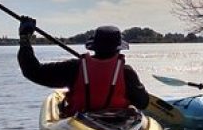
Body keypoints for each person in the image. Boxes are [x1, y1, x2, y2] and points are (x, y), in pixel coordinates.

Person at [17, 17, 149, 116]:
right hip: (119, 125)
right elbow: (143, 103)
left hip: (81, 122)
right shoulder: (126, 72)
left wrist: (25, 39)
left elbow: (33, 72)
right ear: (119, 49)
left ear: (94, 48)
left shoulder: (75, 68)